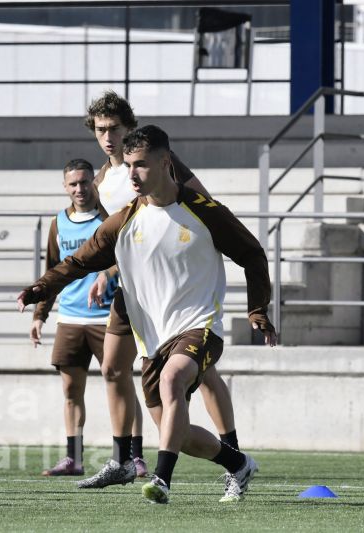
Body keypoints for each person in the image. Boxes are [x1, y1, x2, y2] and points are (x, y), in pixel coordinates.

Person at [17, 124, 276, 504]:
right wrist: (42, 287)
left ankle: (162, 480)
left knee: (174, 381)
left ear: (164, 162)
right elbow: (78, 262)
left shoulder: (204, 212)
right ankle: (238, 464)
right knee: (179, 433)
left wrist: (257, 310)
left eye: (140, 165)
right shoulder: (123, 221)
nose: (132, 174)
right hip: (152, 339)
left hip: (200, 326)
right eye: (128, 166)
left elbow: (252, 253)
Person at [74, 91, 242, 489]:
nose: (108, 137)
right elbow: (123, 238)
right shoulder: (101, 180)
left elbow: (202, 205)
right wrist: (106, 272)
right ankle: (126, 459)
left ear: (129, 127)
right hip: (133, 289)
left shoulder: (160, 163)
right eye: (100, 130)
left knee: (201, 374)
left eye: (115, 128)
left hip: (176, 285)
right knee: (113, 366)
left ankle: (232, 451)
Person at [31, 158, 146, 477]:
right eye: (73, 184)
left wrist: (107, 274)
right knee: (71, 391)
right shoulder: (58, 222)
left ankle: (134, 455)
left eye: (85, 182)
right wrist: (41, 314)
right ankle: (73, 458)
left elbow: (128, 254)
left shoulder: (107, 217)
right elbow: (53, 270)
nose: (80, 188)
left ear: (93, 184)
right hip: (69, 318)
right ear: (65, 187)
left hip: (106, 317)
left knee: (121, 382)